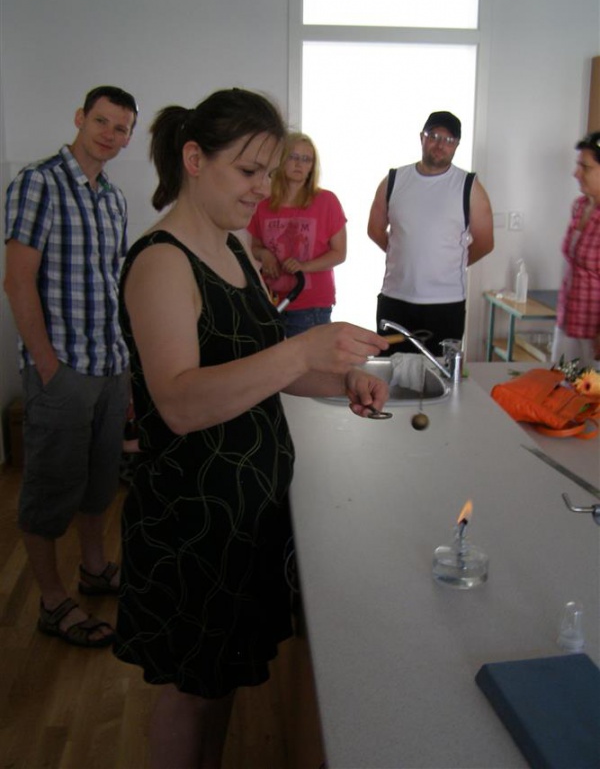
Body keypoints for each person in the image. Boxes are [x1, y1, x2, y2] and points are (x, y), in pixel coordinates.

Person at [113, 88, 389, 768]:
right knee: (190, 692)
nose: (263, 188)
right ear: (194, 159)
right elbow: (178, 403)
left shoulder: (234, 250)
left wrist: (340, 380)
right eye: (248, 171)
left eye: (267, 172)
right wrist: (302, 350)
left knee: (219, 683)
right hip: (192, 517)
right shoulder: (161, 261)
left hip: (242, 516)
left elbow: (260, 370)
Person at [3, 85, 138, 647]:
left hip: (110, 365)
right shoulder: (39, 182)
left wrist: (126, 366)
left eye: (121, 128)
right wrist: (48, 367)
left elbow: (115, 285)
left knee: (100, 481)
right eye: (102, 121)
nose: (110, 134)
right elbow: (17, 280)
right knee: (50, 489)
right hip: (63, 369)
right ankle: (52, 602)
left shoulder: (114, 198)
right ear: (81, 118)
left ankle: (94, 569)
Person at [367, 110, 494, 354]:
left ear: (456, 145)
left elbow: (485, 242)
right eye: (433, 136)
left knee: (440, 371)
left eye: (448, 140)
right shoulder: (394, 180)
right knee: (392, 369)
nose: (440, 144)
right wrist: (404, 254)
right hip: (396, 298)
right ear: (422, 137)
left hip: (445, 303)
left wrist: (450, 262)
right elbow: (375, 229)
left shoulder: (468, 186)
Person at [247, 132, 347, 336]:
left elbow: (339, 254)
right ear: (281, 160)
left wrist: (303, 267)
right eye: (293, 157)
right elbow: (254, 246)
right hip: (270, 300)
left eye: (306, 159)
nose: (299, 164)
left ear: (312, 166)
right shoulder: (263, 203)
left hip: (311, 307)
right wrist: (265, 254)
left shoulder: (326, 201)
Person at [551, 131, 600, 366]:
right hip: (569, 321)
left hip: (594, 333)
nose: (576, 173)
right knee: (559, 383)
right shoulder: (580, 206)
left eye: (585, 167)